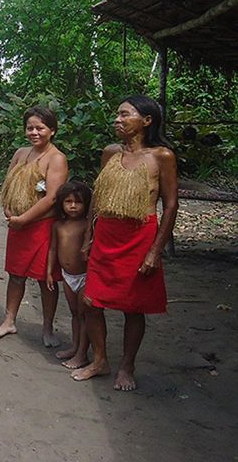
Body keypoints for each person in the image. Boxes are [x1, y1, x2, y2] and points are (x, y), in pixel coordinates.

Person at [72, 95, 177, 391]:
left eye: (124, 115)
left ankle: (127, 365)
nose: (117, 120)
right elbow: (98, 197)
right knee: (91, 302)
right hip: (106, 235)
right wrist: (88, 237)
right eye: (117, 115)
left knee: (134, 307)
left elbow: (170, 205)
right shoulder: (110, 153)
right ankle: (100, 360)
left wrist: (155, 251)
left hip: (140, 238)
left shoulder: (162, 156)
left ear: (146, 121)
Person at [0, 106, 68, 346]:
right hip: (17, 226)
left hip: (42, 227)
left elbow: (52, 197)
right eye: (30, 128)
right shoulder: (21, 153)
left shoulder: (57, 158)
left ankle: (47, 328)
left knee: (47, 280)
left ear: (52, 130)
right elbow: (8, 185)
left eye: (40, 128)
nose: (34, 132)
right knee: (15, 275)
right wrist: (9, 210)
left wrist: (25, 219)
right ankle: (9, 320)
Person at [47, 180, 92, 369]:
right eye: (68, 202)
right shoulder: (58, 226)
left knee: (85, 314)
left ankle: (82, 352)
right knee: (75, 313)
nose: (73, 206)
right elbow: (53, 250)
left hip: (84, 277)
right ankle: (75, 347)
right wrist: (49, 271)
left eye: (78, 202)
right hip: (67, 276)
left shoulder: (85, 226)